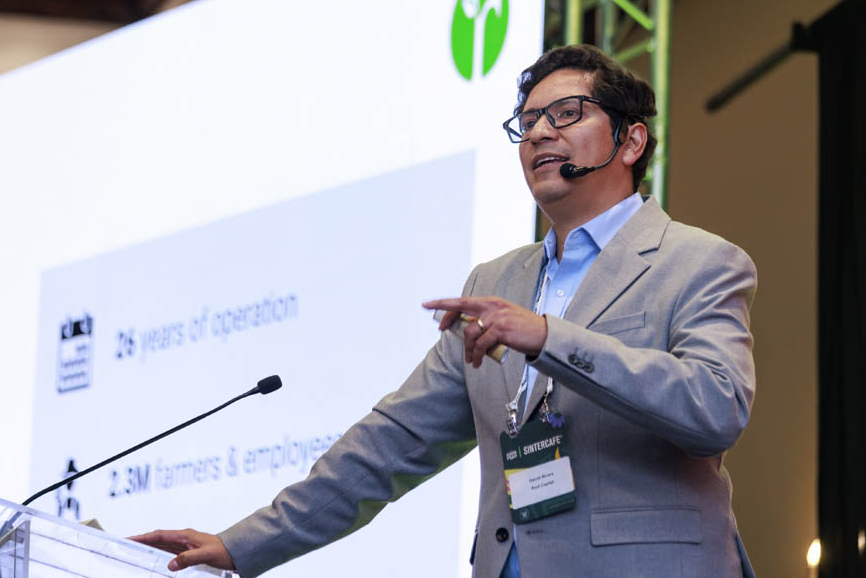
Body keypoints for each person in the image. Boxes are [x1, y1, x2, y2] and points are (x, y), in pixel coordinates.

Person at [132, 45, 757, 577]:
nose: (539, 133)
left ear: (631, 140)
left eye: (566, 113)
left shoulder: (698, 261)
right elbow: (395, 441)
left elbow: (717, 406)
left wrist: (548, 338)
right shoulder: (498, 281)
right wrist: (241, 545)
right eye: (527, 121)